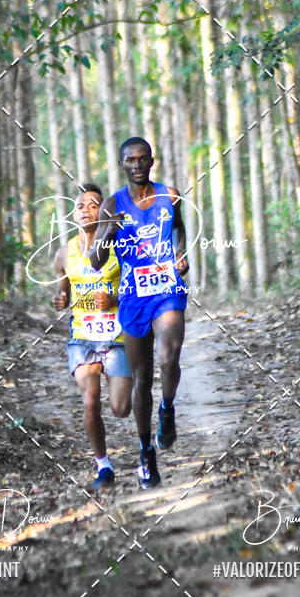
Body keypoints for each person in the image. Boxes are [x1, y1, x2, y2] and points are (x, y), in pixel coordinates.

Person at [89, 138, 189, 488]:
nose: (137, 164)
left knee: (169, 354)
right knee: (142, 378)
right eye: (130, 160)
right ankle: (146, 452)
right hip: (133, 297)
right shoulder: (113, 204)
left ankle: (168, 407)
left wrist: (180, 253)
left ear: (152, 161)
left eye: (143, 158)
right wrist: (108, 231)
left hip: (167, 290)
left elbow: (179, 229)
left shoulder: (169, 195)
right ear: (122, 164)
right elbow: (95, 260)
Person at [53, 184, 132, 490]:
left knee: (120, 409)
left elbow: (135, 288)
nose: (86, 210)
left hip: (117, 336)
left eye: (93, 205)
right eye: (80, 206)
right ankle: (104, 465)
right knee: (89, 401)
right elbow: (60, 293)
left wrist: (113, 297)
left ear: (104, 212)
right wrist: (59, 300)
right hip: (82, 338)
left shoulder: (119, 247)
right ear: (74, 214)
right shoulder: (65, 253)